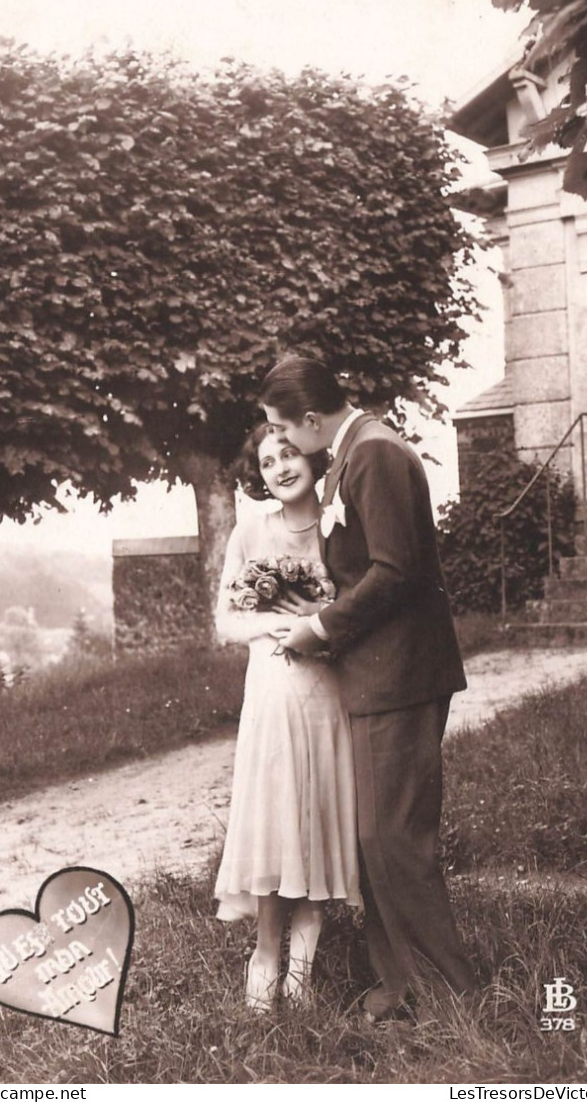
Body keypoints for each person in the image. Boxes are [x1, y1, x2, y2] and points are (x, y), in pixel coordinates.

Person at [260, 355, 477, 1022]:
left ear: (312, 418)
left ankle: (454, 995)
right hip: (376, 676)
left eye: (283, 429)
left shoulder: (377, 454)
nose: (283, 443)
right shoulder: (350, 454)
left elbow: (396, 572)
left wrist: (320, 628)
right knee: (372, 839)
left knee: (394, 839)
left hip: (400, 675)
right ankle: (403, 986)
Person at [214, 423, 360, 1012]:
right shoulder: (251, 528)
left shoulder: (336, 529)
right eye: (268, 460)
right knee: (278, 819)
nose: (278, 467)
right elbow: (226, 619)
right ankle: (265, 956)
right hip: (273, 688)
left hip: (327, 691)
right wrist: (278, 626)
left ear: (313, 457)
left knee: (316, 815)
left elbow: (356, 607)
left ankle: (301, 972)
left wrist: (321, 623)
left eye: (289, 453)